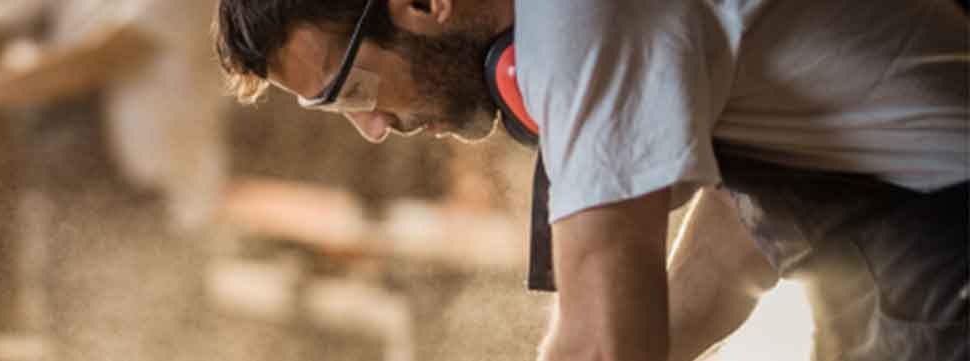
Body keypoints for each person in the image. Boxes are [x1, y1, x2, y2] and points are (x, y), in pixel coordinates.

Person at [210, 0, 969, 360]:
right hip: (910, 223)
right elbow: (753, 232)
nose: (372, 127)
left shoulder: (578, 21)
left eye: (352, 93)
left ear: (421, 4)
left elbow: (607, 347)